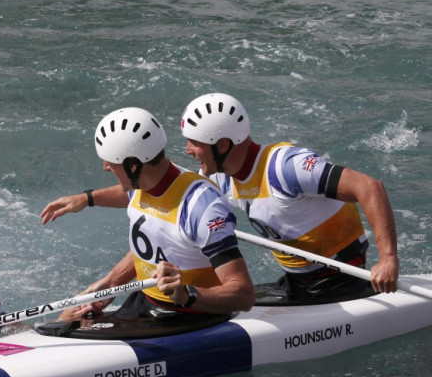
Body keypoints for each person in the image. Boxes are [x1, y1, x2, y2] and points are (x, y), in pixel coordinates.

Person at [43, 93, 399, 301]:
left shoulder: (286, 166)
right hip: (299, 281)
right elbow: (165, 194)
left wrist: (388, 259)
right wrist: (88, 199)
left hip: (346, 278)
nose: (189, 150)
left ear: (223, 145)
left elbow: (370, 187)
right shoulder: (221, 173)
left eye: (196, 143)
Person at [42, 107, 254, 321]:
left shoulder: (203, 208)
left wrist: (187, 294)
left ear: (133, 166)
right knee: (63, 321)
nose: (105, 166)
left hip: (188, 316)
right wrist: (111, 284)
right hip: (146, 302)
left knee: (64, 333)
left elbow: (244, 295)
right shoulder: (145, 182)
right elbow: (147, 220)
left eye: (110, 162)